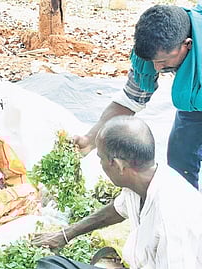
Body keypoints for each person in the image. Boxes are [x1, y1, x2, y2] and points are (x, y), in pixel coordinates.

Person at [32, 116, 202, 269]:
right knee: (51, 265)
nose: (100, 164)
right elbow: (118, 209)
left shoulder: (172, 221)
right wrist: (65, 235)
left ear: (119, 165)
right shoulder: (140, 182)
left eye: (101, 158)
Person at [74, 4, 202, 189]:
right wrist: (89, 139)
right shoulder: (150, 50)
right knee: (179, 159)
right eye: (153, 62)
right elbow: (130, 101)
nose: (158, 68)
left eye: (163, 61)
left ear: (187, 45)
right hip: (194, 99)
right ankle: (183, 207)